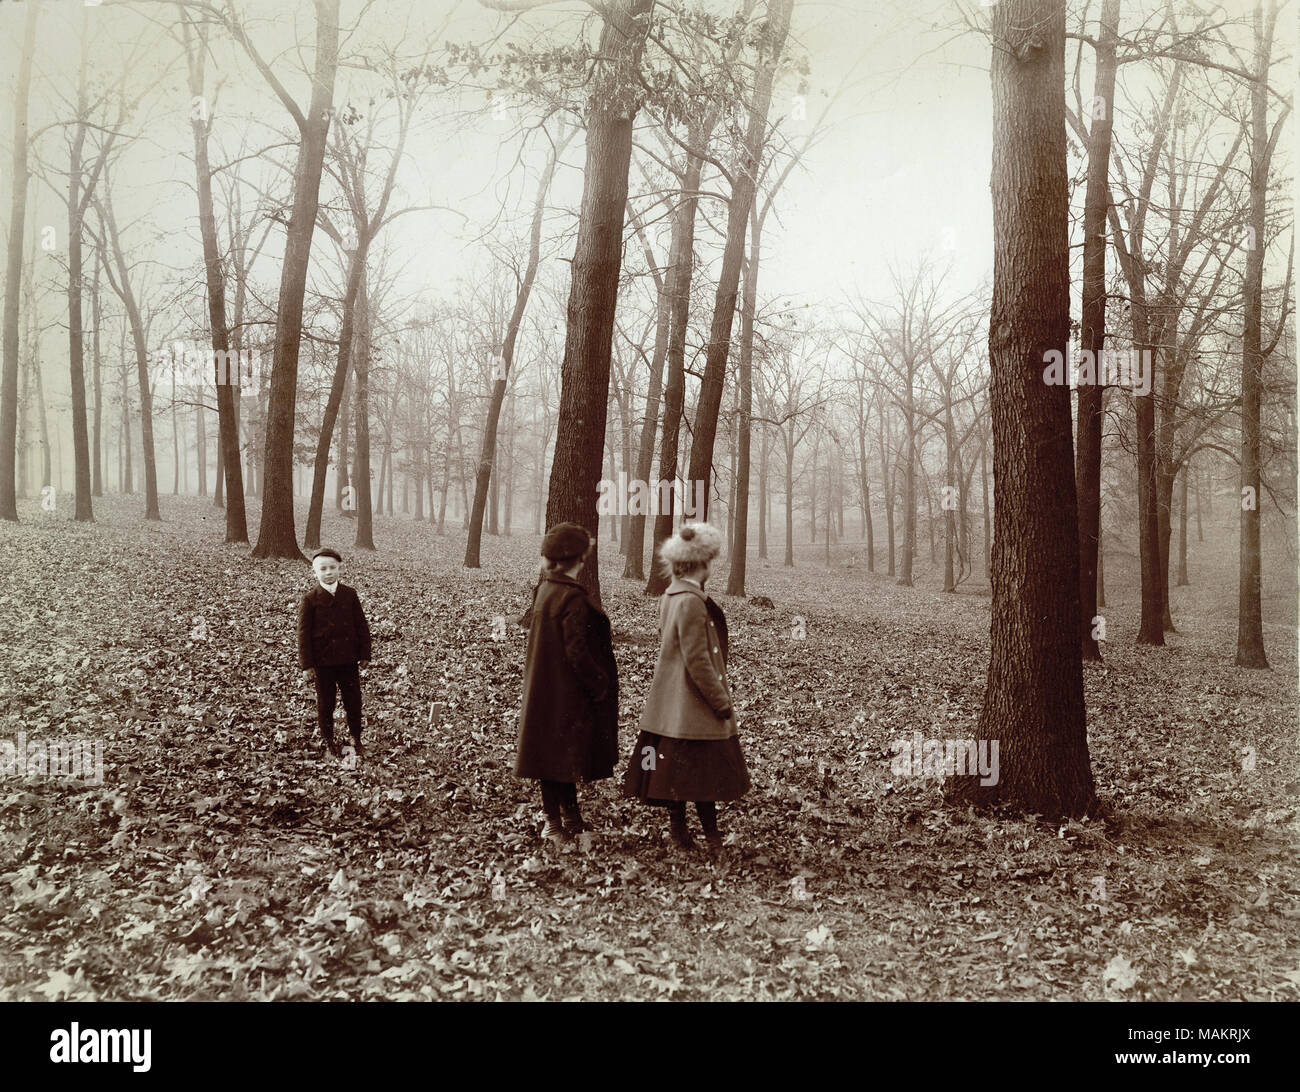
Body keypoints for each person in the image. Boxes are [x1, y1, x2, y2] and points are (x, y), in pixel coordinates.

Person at [623, 522, 749, 852]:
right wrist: (720, 701)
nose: (712, 568)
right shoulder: (691, 602)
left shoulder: (671, 595)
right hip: (692, 706)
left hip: (670, 704)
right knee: (701, 775)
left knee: (672, 773)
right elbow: (698, 660)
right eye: (709, 561)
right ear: (700, 564)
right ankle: (712, 838)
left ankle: (680, 832)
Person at [515, 523, 618, 844]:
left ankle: (570, 818)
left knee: (555, 757)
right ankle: (553, 824)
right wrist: (598, 683)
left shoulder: (545, 590)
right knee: (555, 759)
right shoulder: (571, 598)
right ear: (577, 560)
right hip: (566, 693)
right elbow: (577, 650)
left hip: (545, 691)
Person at [298, 548, 372, 760]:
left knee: (353, 701)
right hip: (323, 663)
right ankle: (327, 739)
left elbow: (361, 625)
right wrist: (307, 665)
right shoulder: (310, 599)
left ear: (339, 568)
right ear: (315, 572)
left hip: (348, 659)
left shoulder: (349, 594)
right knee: (326, 703)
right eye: (323, 569)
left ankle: (356, 737)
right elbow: (303, 635)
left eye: (332, 567)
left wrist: (365, 653)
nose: (328, 572)